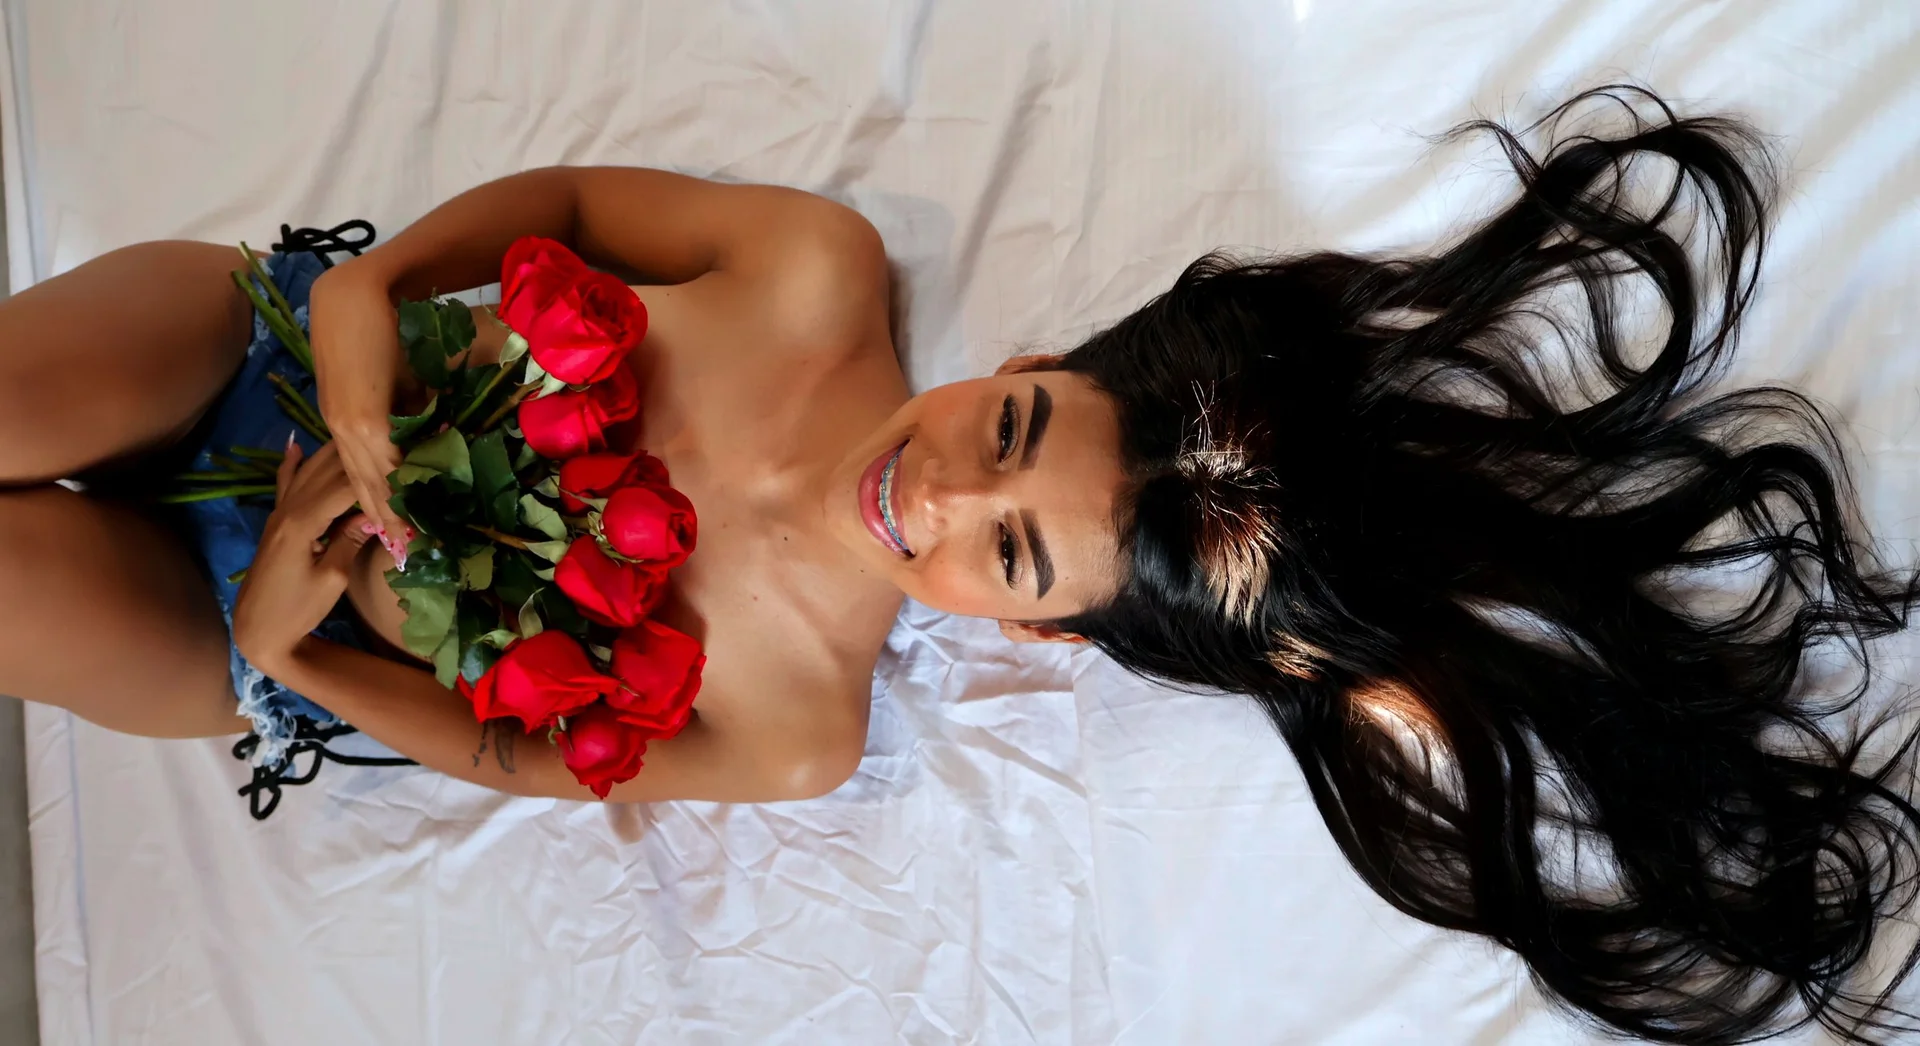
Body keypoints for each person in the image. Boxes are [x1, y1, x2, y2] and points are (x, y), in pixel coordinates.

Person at [1, 87, 1915, 1043]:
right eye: (1007, 432)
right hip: (265, 356)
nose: (931, 498)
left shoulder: (798, 728)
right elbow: (561, 209)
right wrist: (360, 330)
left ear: (1050, 631)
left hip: (269, 625)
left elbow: (523, 753)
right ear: (1032, 367)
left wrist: (294, 650)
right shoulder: (813, 270)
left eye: (1007, 554)